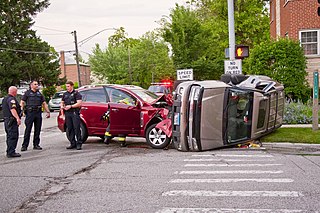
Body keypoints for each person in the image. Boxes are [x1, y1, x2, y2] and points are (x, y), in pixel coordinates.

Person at [20, 80, 50, 151]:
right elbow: (22, 102)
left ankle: (36, 144)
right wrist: (21, 111)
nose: (37, 85)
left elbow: (44, 103)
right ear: (31, 85)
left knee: (38, 129)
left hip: (38, 113)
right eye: (35, 84)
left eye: (37, 84)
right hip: (30, 113)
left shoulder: (39, 94)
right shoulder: (27, 93)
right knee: (28, 129)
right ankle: (24, 146)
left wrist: (48, 111)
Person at [61, 80, 83, 150]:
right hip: (67, 113)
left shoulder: (76, 94)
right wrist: (62, 107)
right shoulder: (65, 94)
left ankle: (79, 143)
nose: (67, 88)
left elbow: (79, 103)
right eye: (66, 86)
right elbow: (62, 102)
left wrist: (71, 106)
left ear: (72, 86)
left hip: (74, 112)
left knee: (76, 128)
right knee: (70, 128)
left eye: (68, 86)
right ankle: (72, 143)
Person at [2, 86, 22, 158]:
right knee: (13, 136)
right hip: (11, 120)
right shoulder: (11, 99)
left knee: (9, 136)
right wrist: (17, 118)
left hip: (7, 120)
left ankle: (9, 151)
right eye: (16, 91)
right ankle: (11, 152)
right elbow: (12, 109)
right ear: (14, 92)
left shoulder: (5, 99)